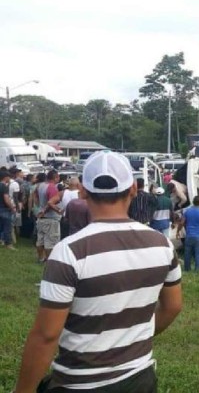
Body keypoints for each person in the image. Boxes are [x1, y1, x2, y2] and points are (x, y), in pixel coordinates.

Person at [14, 150, 182, 393]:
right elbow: (173, 307)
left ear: (82, 191)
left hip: (79, 382)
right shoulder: (162, 244)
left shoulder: (69, 251)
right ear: (133, 189)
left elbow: (46, 336)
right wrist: (132, 339)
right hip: (139, 378)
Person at [177, 195, 199, 272]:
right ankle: (197, 271)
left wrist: (177, 231)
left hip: (189, 236)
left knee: (187, 253)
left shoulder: (187, 211)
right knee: (198, 254)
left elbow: (181, 223)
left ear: (193, 202)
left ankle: (187, 269)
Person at [35, 170, 61, 262]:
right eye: (58, 177)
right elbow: (51, 203)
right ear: (55, 177)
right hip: (50, 217)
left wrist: (40, 208)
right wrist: (59, 211)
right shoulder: (52, 187)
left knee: (40, 240)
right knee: (50, 241)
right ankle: (49, 259)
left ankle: (40, 258)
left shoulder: (40, 186)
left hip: (40, 217)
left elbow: (36, 197)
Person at [0, 170, 17, 250]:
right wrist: (12, 207)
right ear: (6, 178)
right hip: (4, 209)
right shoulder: (4, 186)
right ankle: (8, 244)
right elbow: (6, 199)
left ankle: (2, 240)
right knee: (7, 227)